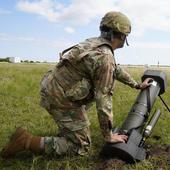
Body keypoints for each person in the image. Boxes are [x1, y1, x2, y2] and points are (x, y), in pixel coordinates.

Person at [1, 11, 152, 158]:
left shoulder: (94, 43)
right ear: (121, 35)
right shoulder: (105, 56)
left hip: (53, 88)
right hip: (60, 98)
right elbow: (103, 99)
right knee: (81, 147)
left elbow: (115, 69)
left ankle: (70, 130)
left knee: (82, 111)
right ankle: (25, 141)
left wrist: (136, 85)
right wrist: (109, 135)